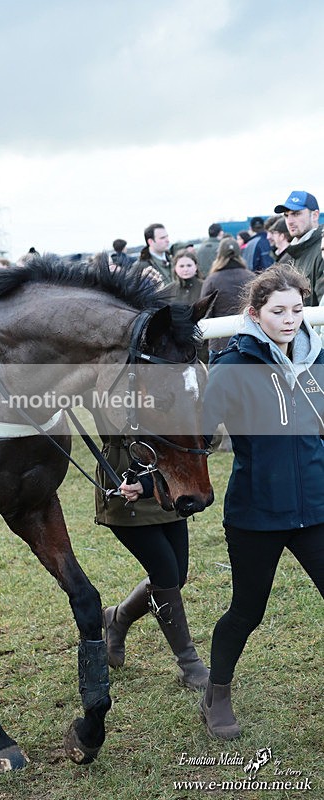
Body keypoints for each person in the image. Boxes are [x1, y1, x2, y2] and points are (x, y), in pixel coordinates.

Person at [201, 265, 324, 739]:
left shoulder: (317, 359)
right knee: (247, 612)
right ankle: (217, 693)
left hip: (315, 509)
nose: (290, 319)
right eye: (278, 311)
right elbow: (201, 436)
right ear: (255, 314)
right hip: (257, 513)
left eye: (297, 309)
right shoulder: (232, 366)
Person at [95, 437, 209, 691]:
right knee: (166, 575)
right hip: (126, 485)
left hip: (169, 486)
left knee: (176, 578)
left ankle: (117, 618)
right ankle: (188, 664)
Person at [199, 237, 253, 357]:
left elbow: (205, 314)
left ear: (219, 254)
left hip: (220, 342)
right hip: (248, 339)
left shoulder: (211, 280)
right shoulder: (251, 277)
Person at [274, 190, 324, 305]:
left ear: (315, 215)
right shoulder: (290, 254)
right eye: (286, 215)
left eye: (296, 214)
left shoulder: (321, 249)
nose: (290, 221)